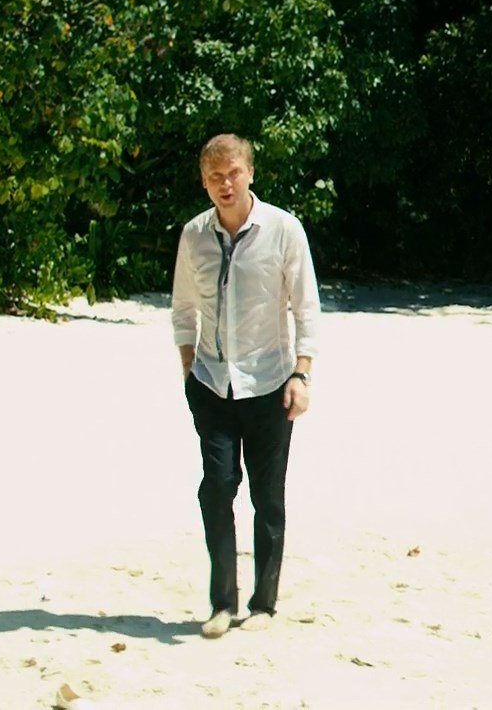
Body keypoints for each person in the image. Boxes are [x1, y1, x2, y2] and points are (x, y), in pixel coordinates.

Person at [171, 134, 322, 640]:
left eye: (233, 172)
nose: (226, 184)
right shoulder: (194, 235)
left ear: (250, 173)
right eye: (215, 176)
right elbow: (183, 309)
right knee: (216, 489)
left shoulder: (283, 230)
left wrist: (302, 373)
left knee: (268, 498)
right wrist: (189, 368)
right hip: (212, 384)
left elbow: (306, 307)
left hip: (271, 382)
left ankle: (263, 604)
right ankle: (222, 603)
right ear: (204, 182)